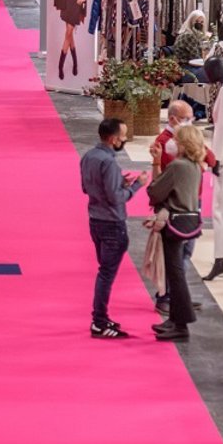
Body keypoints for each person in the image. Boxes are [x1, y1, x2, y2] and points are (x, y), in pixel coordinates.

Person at [80, 118, 149, 338]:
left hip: (95, 220)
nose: (125, 139)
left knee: (104, 271)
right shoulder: (109, 162)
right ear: (112, 139)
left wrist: (119, 182)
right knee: (106, 274)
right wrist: (137, 185)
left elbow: (87, 188)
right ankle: (99, 321)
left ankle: (101, 319)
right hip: (112, 223)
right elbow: (116, 198)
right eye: (123, 136)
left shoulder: (88, 157)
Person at [146, 126, 207, 342]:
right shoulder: (195, 166)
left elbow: (155, 191)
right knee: (175, 272)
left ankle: (181, 324)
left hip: (173, 223)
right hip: (186, 222)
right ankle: (175, 319)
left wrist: (156, 163)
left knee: (175, 273)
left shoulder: (177, 166)